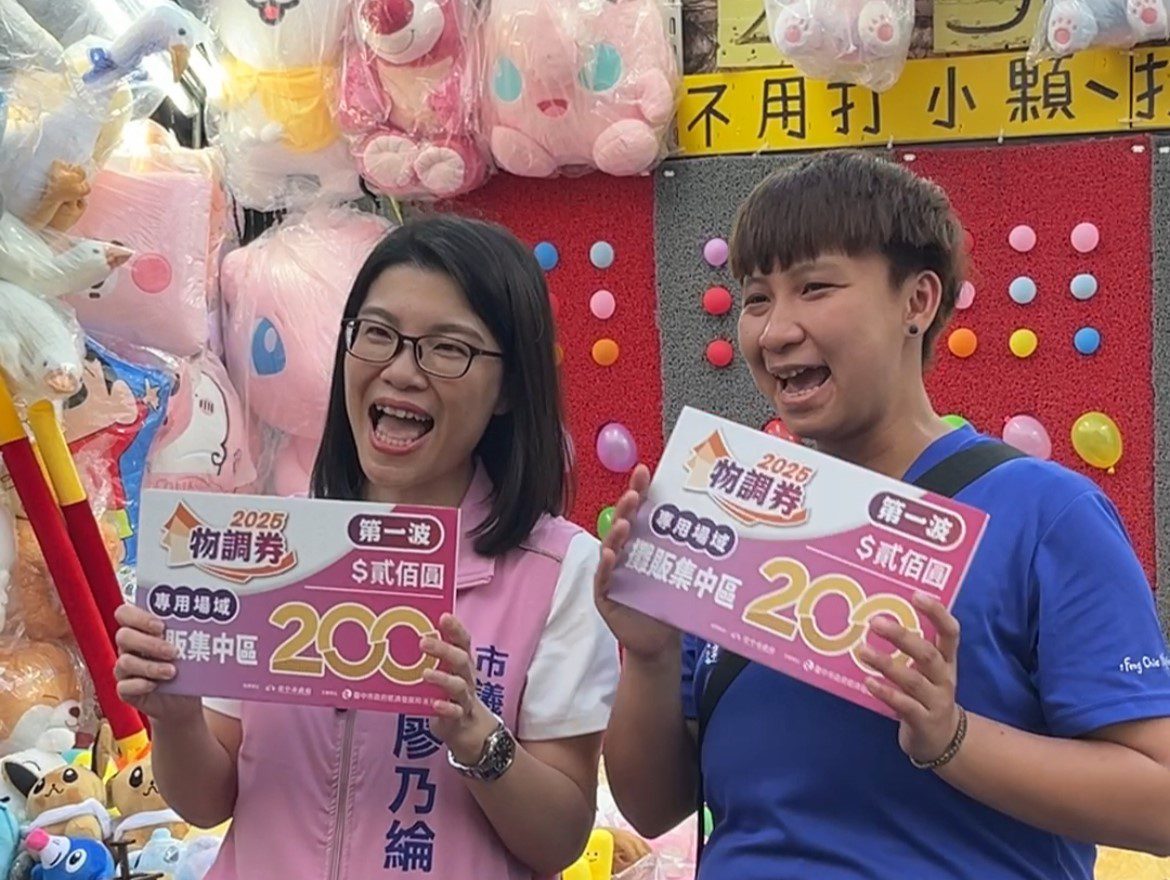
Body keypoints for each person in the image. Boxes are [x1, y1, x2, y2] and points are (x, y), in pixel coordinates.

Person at [595, 151, 1170, 880]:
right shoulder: (730, 516)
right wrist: (649, 657)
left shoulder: (1046, 514)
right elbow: (653, 808)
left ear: (918, 302)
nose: (775, 332)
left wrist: (953, 739)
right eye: (757, 298)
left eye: (815, 288)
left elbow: (1158, 801)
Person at [113, 215, 620, 879]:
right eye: (377, 334)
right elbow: (209, 803)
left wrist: (476, 734)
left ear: (508, 389)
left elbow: (559, 840)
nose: (401, 371)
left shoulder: (558, 572)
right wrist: (177, 719)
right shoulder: (266, 548)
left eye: (448, 348)